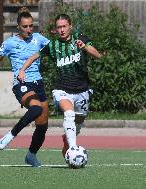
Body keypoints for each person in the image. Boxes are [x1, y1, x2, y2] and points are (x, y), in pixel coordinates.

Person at [0, 7, 49, 167]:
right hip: (21, 84)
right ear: (18, 27)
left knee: (42, 126)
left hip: (39, 84)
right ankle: (11, 134)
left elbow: (55, 48)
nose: (29, 29)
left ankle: (31, 155)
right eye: (25, 26)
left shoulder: (39, 39)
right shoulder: (10, 43)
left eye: (31, 26)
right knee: (36, 109)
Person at [18, 14, 102, 158]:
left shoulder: (80, 38)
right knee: (69, 114)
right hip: (62, 89)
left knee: (78, 124)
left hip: (82, 90)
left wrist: (85, 48)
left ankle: (67, 141)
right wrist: (22, 69)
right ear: (56, 30)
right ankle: (74, 150)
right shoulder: (53, 45)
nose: (62, 30)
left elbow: (98, 55)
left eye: (64, 26)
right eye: (59, 27)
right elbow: (34, 56)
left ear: (70, 26)